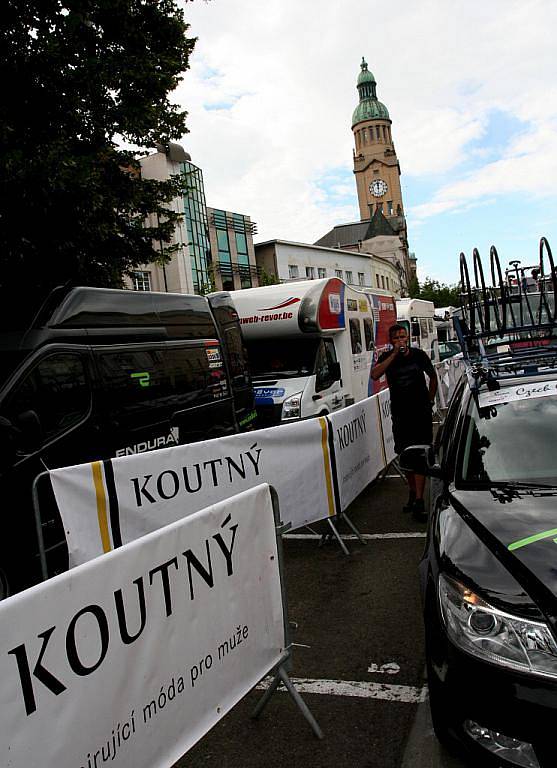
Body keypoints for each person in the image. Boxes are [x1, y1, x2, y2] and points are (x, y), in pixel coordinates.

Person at [371, 324, 438, 521]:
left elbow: (433, 376)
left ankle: (419, 500)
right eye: (396, 338)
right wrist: (393, 355)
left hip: (421, 413)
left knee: (420, 455)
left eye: (403, 336)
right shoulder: (387, 358)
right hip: (400, 414)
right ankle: (412, 491)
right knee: (406, 456)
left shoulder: (419, 355)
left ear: (407, 337)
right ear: (391, 341)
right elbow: (375, 375)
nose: (400, 340)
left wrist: (431, 399)